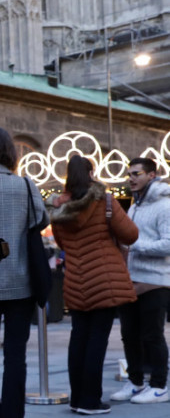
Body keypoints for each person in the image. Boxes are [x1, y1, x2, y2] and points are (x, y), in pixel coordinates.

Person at [47, 155, 138, 415]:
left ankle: (77, 399)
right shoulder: (105, 200)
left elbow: (63, 246)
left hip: (76, 280)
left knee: (78, 338)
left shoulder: (59, 209)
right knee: (97, 341)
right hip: (105, 280)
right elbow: (131, 234)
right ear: (90, 172)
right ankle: (91, 401)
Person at [0, 127, 48, 418]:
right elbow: (40, 220)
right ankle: (13, 413)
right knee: (16, 355)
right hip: (21, 283)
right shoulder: (26, 186)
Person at [111, 157, 170, 404]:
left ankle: (160, 385)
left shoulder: (165, 205)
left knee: (152, 335)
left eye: (137, 173)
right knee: (129, 334)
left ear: (151, 175)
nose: (131, 178)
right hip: (131, 279)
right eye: (130, 174)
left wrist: (135, 246)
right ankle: (135, 381)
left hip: (155, 281)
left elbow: (168, 244)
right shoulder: (135, 205)